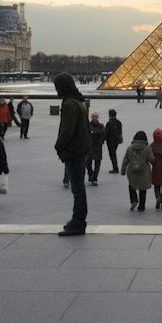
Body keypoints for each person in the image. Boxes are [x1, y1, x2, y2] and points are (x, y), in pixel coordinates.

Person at [53, 73, 91, 236]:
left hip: (74, 151)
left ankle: (78, 222)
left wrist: (58, 146)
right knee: (78, 188)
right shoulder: (79, 101)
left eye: (57, 87)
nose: (56, 90)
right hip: (81, 149)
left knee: (77, 189)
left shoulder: (69, 103)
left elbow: (67, 130)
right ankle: (78, 219)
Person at [121, 130, 155, 211]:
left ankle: (134, 200)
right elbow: (152, 160)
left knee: (132, 185)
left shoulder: (129, 148)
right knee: (143, 189)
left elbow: (125, 160)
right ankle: (141, 206)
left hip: (132, 171)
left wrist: (123, 170)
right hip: (144, 171)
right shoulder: (147, 148)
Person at [86, 112, 105, 186]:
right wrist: (96, 133)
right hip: (89, 146)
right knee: (88, 163)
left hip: (98, 147)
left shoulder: (101, 125)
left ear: (98, 117)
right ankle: (91, 174)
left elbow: (102, 133)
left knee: (97, 163)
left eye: (95, 116)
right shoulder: (88, 125)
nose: (94, 118)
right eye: (93, 116)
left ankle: (95, 178)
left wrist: (93, 133)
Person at [104, 109, 123, 173]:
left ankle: (115, 168)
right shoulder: (119, 122)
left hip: (110, 141)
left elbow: (106, 133)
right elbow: (120, 132)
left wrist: (103, 140)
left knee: (112, 154)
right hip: (116, 141)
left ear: (109, 115)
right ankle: (115, 167)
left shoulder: (109, 123)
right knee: (114, 153)